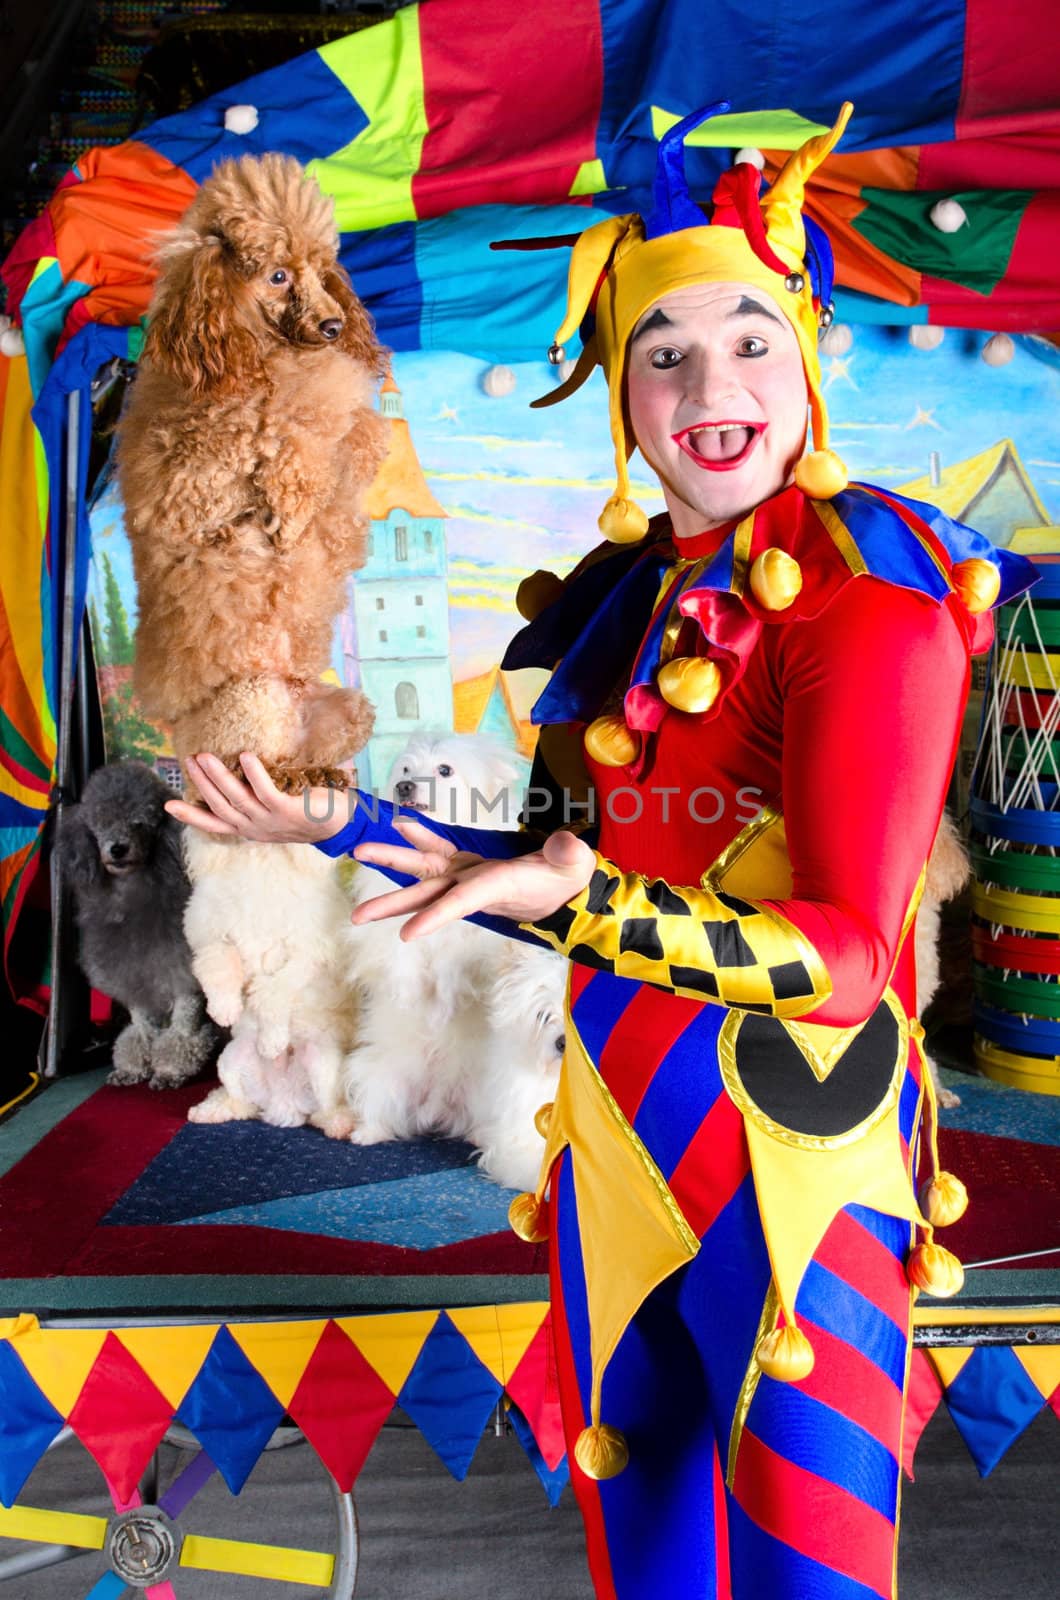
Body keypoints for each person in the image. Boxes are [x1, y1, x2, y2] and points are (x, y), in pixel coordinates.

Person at [169, 101, 1035, 1599]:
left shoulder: (869, 618)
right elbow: (558, 861)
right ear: (621, 398)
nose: (715, 384)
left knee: (804, 1580)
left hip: (800, 1173)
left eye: (752, 339)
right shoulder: (630, 615)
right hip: (618, 1153)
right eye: (666, 350)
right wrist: (348, 822)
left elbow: (838, 963)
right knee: (642, 1569)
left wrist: (592, 906)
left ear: (810, 365)